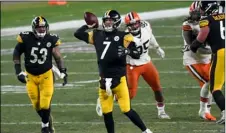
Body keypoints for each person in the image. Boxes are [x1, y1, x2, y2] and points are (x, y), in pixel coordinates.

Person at [74, 10, 152, 133]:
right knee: (107, 113)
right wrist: (87, 26)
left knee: (127, 110)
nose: (108, 23)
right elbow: (77, 34)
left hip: (119, 80)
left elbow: (137, 54)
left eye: (110, 20)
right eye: (106, 20)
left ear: (116, 22)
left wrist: (128, 52)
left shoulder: (124, 36)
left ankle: (145, 130)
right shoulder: (96, 34)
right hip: (104, 81)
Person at [13, 16, 68, 133]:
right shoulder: (26, 38)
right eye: (39, 27)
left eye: (43, 27)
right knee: (36, 104)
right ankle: (47, 120)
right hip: (30, 76)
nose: (42, 30)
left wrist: (63, 70)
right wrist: (18, 72)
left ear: (47, 28)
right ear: (34, 28)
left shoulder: (51, 39)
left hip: (46, 74)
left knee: (45, 102)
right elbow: (16, 52)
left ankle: (45, 126)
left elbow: (57, 56)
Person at [122, 11, 170, 119]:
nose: (134, 26)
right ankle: (109, 97)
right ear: (128, 26)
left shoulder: (146, 26)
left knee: (157, 87)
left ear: (139, 22)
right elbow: (135, 55)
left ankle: (161, 111)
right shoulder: (126, 37)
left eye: (136, 23)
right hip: (132, 66)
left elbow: (150, 36)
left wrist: (157, 47)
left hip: (147, 63)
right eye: (131, 24)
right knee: (131, 94)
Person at [190, 1, 225, 124]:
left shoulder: (207, 19)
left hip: (221, 53)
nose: (201, 11)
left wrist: (194, 45)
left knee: (215, 88)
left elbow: (203, 34)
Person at [181, 1, 216, 121]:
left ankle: (206, 110)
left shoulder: (209, 21)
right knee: (209, 82)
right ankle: (204, 111)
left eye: (197, 13)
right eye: (193, 13)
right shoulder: (187, 25)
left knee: (212, 83)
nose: (194, 16)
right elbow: (194, 47)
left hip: (207, 58)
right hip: (193, 59)